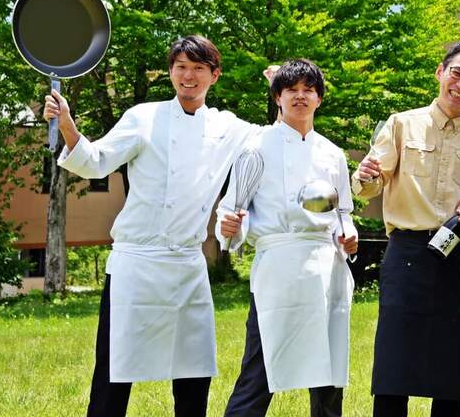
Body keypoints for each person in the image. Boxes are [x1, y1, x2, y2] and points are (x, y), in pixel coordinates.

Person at [44, 35, 256, 417]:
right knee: (113, 372)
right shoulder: (143, 117)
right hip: (136, 263)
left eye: (198, 68)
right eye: (181, 67)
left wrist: (280, 89)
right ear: (171, 72)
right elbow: (95, 161)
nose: (188, 76)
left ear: (214, 76)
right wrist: (68, 124)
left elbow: (272, 142)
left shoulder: (229, 128)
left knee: (193, 374)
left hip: (187, 267)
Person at [351, 40, 460, 417]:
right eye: (456, 72)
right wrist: (364, 177)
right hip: (406, 258)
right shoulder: (402, 124)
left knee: (450, 374)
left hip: (455, 259)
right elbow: (370, 183)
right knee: (393, 370)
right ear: (440, 72)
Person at [215, 58, 359, 417]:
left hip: (327, 269)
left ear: (319, 99)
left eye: (308, 89)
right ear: (277, 97)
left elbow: (343, 212)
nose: (300, 96)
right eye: (291, 89)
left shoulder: (333, 153)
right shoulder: (256, 147)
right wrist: (230, 228)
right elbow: (231, 207)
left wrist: (348, 236)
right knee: (259, 373)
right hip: (279, 268)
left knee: (328, 375)